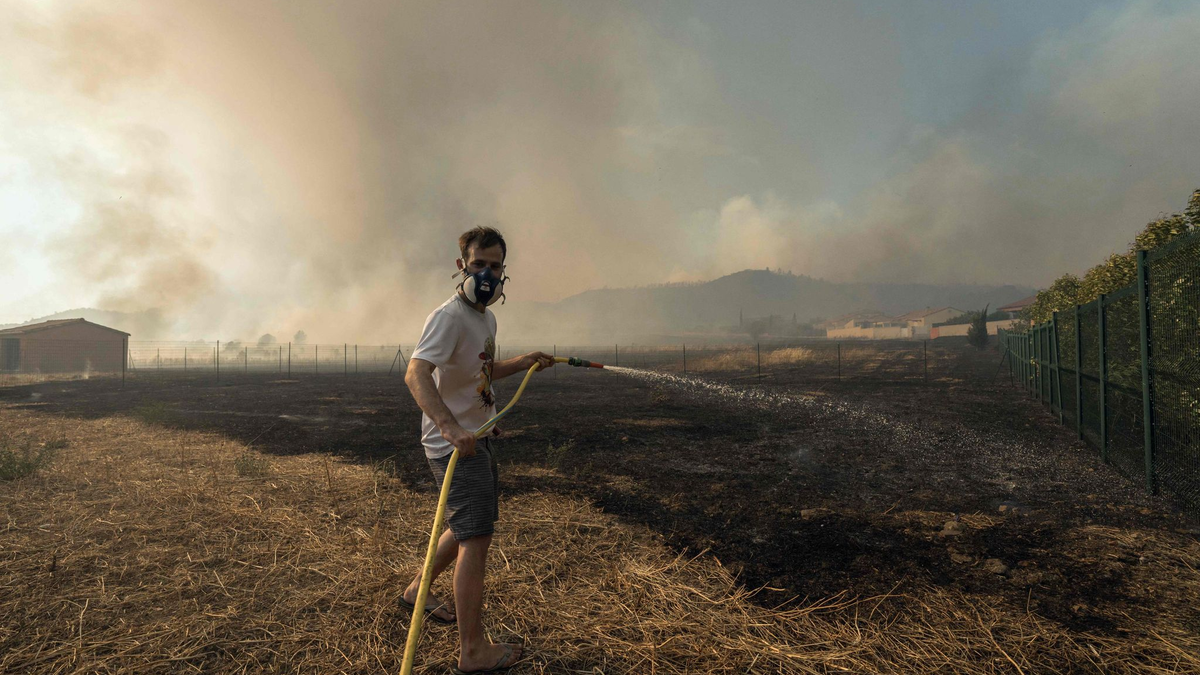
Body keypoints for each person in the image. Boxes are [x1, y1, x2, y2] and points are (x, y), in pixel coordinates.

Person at [401, 226, 553, 674]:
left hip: (477, 436)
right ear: (461, 266)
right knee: (477, 538)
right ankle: (473, 651)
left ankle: (416, 591)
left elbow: (478, 372)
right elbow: (416, 374)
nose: (486, 274)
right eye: (478, 265)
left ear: (504, 271)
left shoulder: (486, 319)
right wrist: (449, 427)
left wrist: (521, 364)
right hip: (454, 447)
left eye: (495, 266)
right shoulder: (448, 316)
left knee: (469, 525)